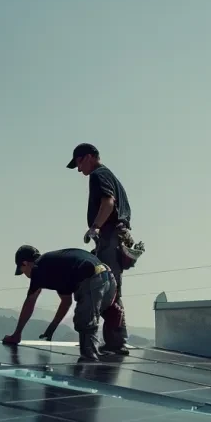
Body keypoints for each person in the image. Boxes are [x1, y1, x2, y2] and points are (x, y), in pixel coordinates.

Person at [67, 143, 135, 355]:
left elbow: (108, 202)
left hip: (110, 238)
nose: (79, 169)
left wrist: (95, 228)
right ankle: (117, 340)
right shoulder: (111, 176)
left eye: (78, 163)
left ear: (88, 157)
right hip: (116, 239)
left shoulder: (98, 175)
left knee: (107, 289)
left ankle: (117, 341)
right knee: (111, 288)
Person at [2, 245, 124, 361]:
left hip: (92, 278)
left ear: (25, 263)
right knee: (100, 311)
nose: (25, 275)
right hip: (108, 279)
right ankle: (114, 338)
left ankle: (90, 362)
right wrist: (52, 328)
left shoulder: (38, 268)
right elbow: (66, 302)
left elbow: (30, 303)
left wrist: (16, 334)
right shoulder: (57, 268)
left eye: (22, 271)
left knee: (84, 322)